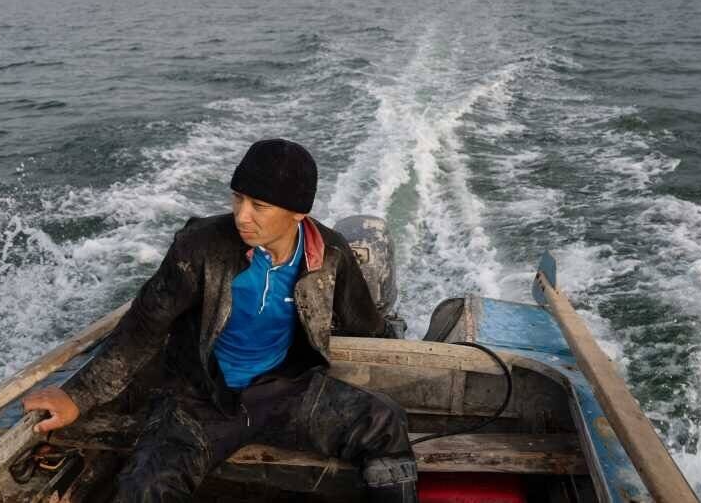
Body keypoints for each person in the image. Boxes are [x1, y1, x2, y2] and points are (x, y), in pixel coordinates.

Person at [23, 138, 417, 502]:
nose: (242, 215)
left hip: (286, 390)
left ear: (298, 213)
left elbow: (364, 324)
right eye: (238, 198)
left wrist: (402, 354)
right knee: (146, 486)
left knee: (384, 422)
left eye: (259, 206)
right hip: (201, 398)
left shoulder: (330, 253)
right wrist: (77, 396)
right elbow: (143, 326)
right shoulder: (199, 247)